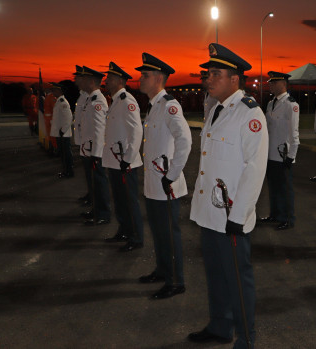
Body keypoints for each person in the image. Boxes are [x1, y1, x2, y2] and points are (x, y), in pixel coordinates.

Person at [189, 43, 268, 348]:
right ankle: (220, 326)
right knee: (216, 277)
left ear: (234, 79)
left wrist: (239, 216)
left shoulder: (249, 114)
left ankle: (246, 340)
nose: (208, 79)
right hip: (210, 213)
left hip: (230, 217)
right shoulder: (217, 110)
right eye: (207, 73)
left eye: (215, 74)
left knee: (237, 280)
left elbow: (255, 168)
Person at [136, 53, 192, 299]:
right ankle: (162, 270)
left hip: (165, 184)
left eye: (145, 75)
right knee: (159, 233)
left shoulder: (169, 105)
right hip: (153, 184)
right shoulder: (154, 106)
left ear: (159, 78)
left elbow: (185, 140)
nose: (140, 78)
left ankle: (176, 281)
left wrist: (173, 174)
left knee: (169, 234)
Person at [102, 62, 145, 251]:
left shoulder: (127, 101)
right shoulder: (116, 101)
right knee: (120, 200)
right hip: (115, 160)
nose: (106, 80)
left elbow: (136, 131)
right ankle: (124, 230)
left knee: (129, 201)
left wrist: (128, 158)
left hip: (125, 161)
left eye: (110, 78)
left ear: (120, 80)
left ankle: (136, 237)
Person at [258, 71, 300, 230]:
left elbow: (294, 132)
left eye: (274, 82)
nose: (271, 85)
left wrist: (291, 156)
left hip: (283, 154)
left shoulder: (291, 104)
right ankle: (275, 214)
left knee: (285, 189)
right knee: (274, 187)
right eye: (270, 82)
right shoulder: (271, 103)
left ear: (283, 84)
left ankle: (288, 218)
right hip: (270, 153)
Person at [79, 66, 111, 226]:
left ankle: (103, 214)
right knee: (93, 183)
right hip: (89, 149)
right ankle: (96, 210)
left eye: (84, 79)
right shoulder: (90, 99)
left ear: (92, 81)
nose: (81, 81)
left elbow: (99, 129)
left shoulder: (98, 101)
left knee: (99, 183)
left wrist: (97, 154)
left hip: (95, 152)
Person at [73, 65, 91, 205]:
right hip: (84, 142)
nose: (75, 80)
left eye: (78, 77)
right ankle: (91, 195)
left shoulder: (89, 97)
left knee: (93, 175)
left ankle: (94, 199)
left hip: (89, 144)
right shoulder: (83, 96)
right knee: (89, 175)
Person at [49, 82, 74, 178]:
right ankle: (66, 171)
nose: (53, 92)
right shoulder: (59, 101)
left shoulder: (63, 102)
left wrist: (63, 131)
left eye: (54, 90)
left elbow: (69, 118)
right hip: (61, 133)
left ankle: (68, 172)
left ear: (59, 90)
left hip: (63, 134)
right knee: (63, 154)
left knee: (66, 154)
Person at [44, 84, 58, 154]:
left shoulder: (52, 97)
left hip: (51, 119)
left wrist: (53, 119)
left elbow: (54, 108)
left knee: (52, 135)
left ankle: (54, 149)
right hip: (48, 119)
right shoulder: (48, 96)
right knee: (49, 134)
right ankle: (51, 148)